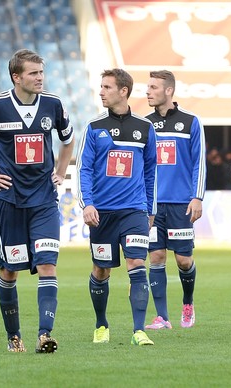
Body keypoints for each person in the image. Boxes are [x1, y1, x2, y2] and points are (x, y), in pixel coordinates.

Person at [0, 49, 74, 353]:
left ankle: (45, 334)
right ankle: (14, 336)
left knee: (48, 265)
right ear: (16, 77)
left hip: (45, 201)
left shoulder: (53, 104)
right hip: (9, 201)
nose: (39, 78)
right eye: (33, 73)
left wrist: (60, 171)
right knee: (10, 271)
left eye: (41, 72)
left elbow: (68, 138)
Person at [76, 68, 157, 346]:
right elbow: (83, 169)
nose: (101, 92)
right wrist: (87, 204)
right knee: (101, 270)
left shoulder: (145, 128)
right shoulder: (94, 127)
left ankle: (138, 330)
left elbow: (150, 172)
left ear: (123, 91)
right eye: (101, 87)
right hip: (102, 214)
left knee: (137, 263)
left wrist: (150, 209)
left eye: (107, 87)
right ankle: (101, 324)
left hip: (134, 211)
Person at [143, 70, 206, 330]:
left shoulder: (191, 121)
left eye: (153, 87)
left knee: (183, 260)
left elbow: (199, 161)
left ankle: (188, 303)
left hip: (181, 202)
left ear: (169, 90)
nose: (148, 92)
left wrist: (197, 196)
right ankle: (162, 317)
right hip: (153, 206)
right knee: (156, 257)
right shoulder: (143, 124)